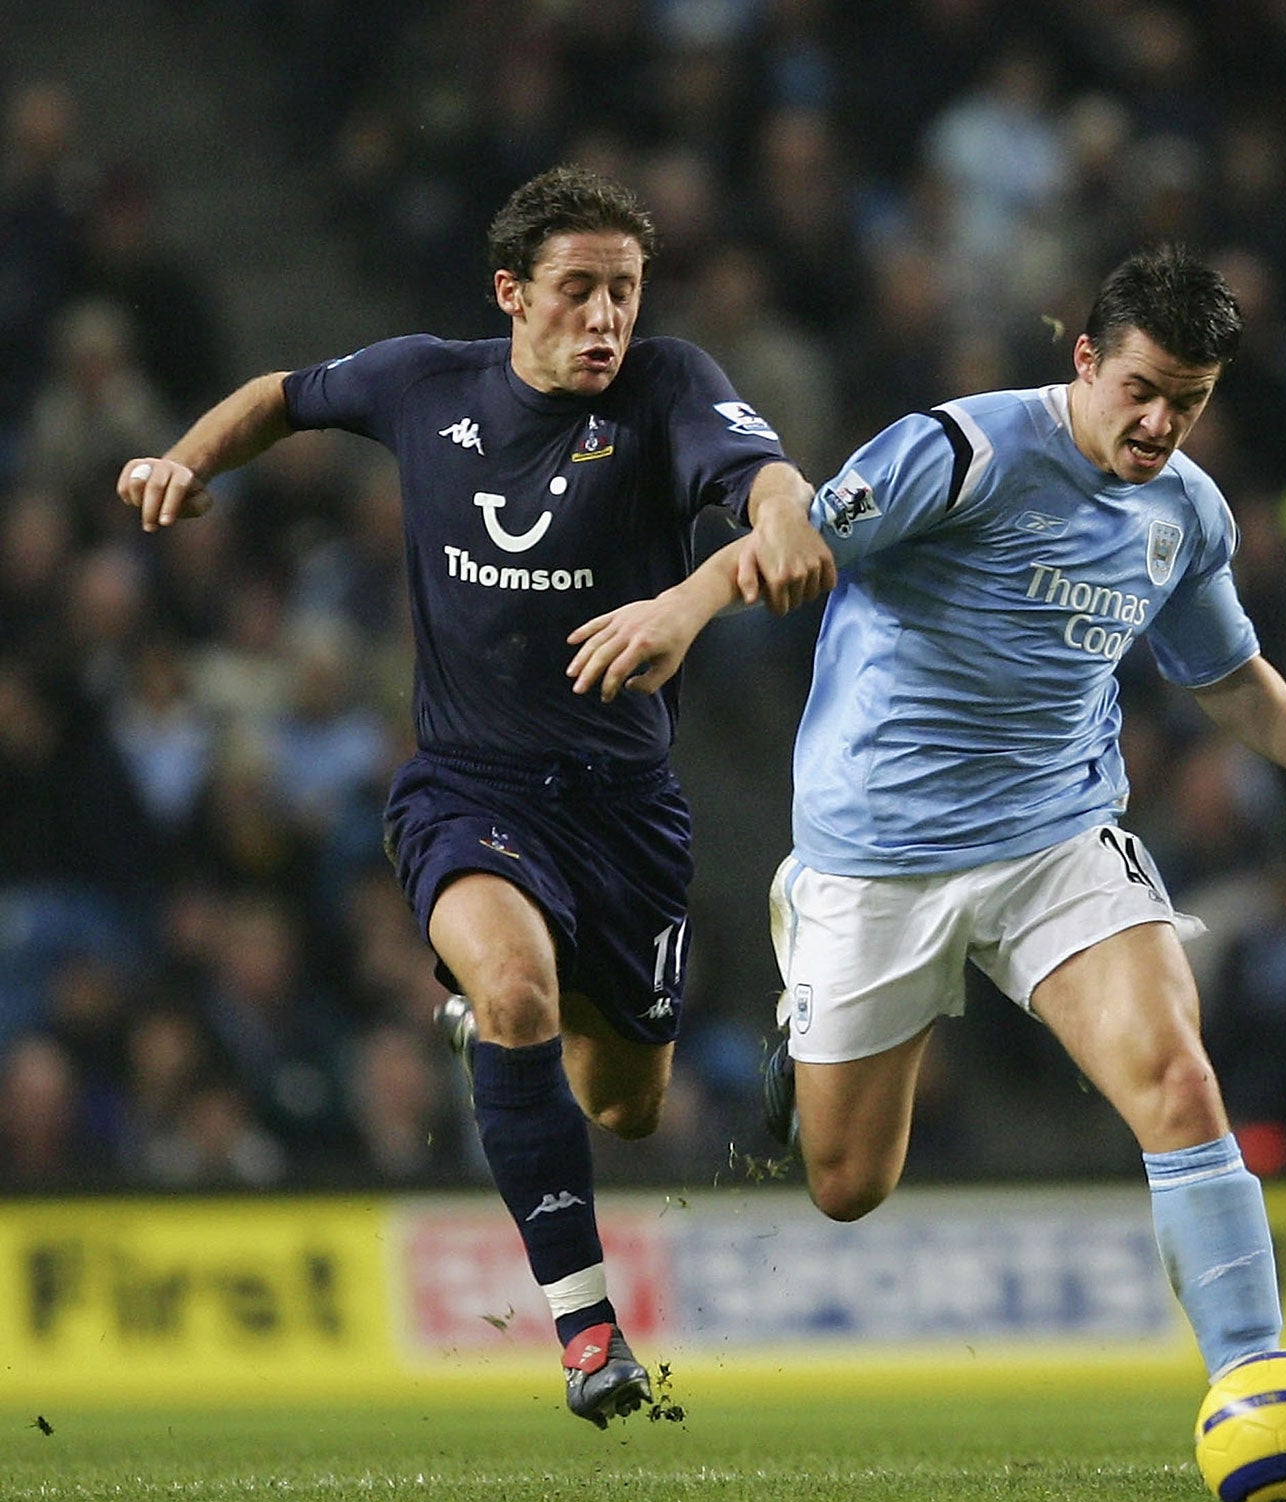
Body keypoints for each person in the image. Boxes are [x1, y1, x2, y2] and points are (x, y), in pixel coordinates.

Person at [574, 246, 1286, 1488]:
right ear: (1083, 359)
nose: (1157, 421)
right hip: (877, 857)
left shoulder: (1183, 510)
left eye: (1188, 399)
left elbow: (1222, 670)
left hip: (1055, 840)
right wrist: (684, 609)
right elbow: (792, 532)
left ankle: (1257, 1382)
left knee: (1177, 1084)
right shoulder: (961, 452)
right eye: (1138, 388)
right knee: (849, 1183)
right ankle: (798, 1039)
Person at [120, 164, 835, 1427]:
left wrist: (778, 518)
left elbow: (761, 475)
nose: (606, 318)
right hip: (469, 787)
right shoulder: (421, 381)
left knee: (627, 1106)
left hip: (627, 810)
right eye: (578, 292)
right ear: (511, 294)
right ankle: (584, 1328)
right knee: (512, 991)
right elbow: (278, 398)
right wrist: (185, 461)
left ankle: (522, 1020)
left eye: (623, 290)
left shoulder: (668, 386)